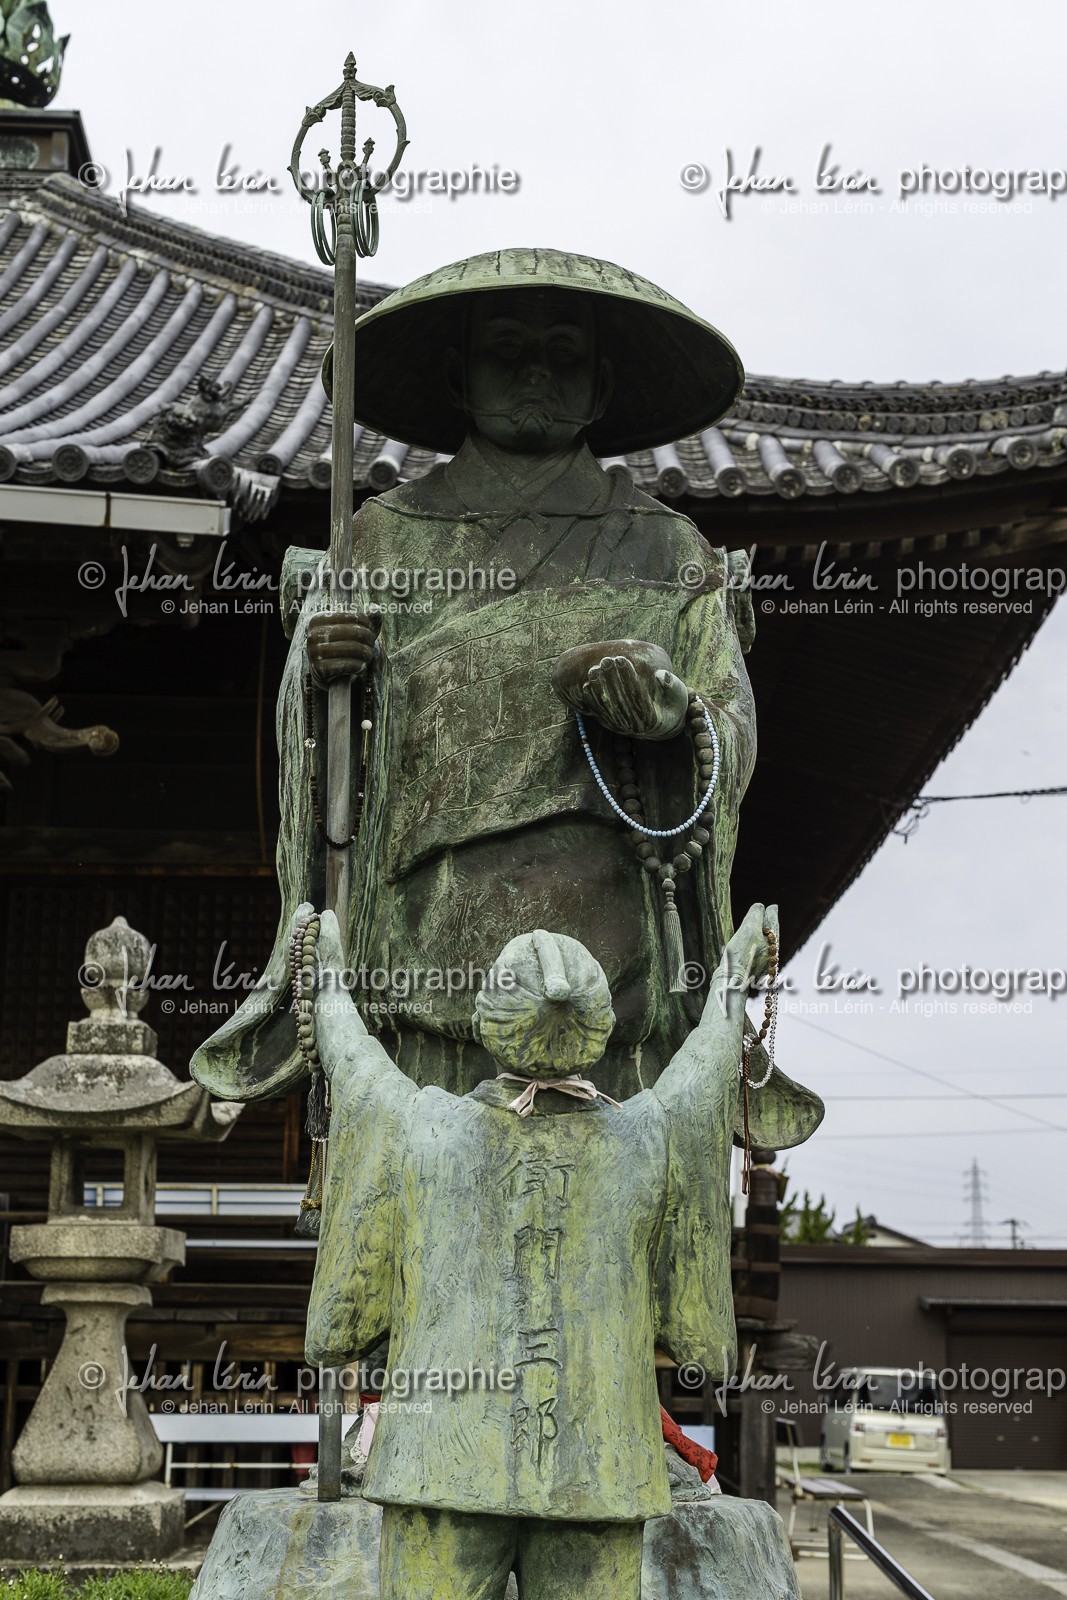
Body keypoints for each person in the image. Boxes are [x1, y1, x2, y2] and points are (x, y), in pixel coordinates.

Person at [192, 248, 820, 1151]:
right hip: (426, 928)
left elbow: (727, 723)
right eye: (508, 350)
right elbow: (332, 743)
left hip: (611, 935)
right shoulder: (380, 537)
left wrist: (671, 716)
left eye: (565, 354)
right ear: (459, 375)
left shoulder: (666, 546)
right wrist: (324, 668)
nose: (537, 371)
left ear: (600, 386)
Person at [303, 899, 780, 1600]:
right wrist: (734, 978)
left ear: (486, 1024)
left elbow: (355, 1062)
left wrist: (327, 982)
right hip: (600, 1476)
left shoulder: (418, 1128)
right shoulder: (648, 1139)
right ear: (599, 1028)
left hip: (438, 1470)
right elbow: (704, 1069)